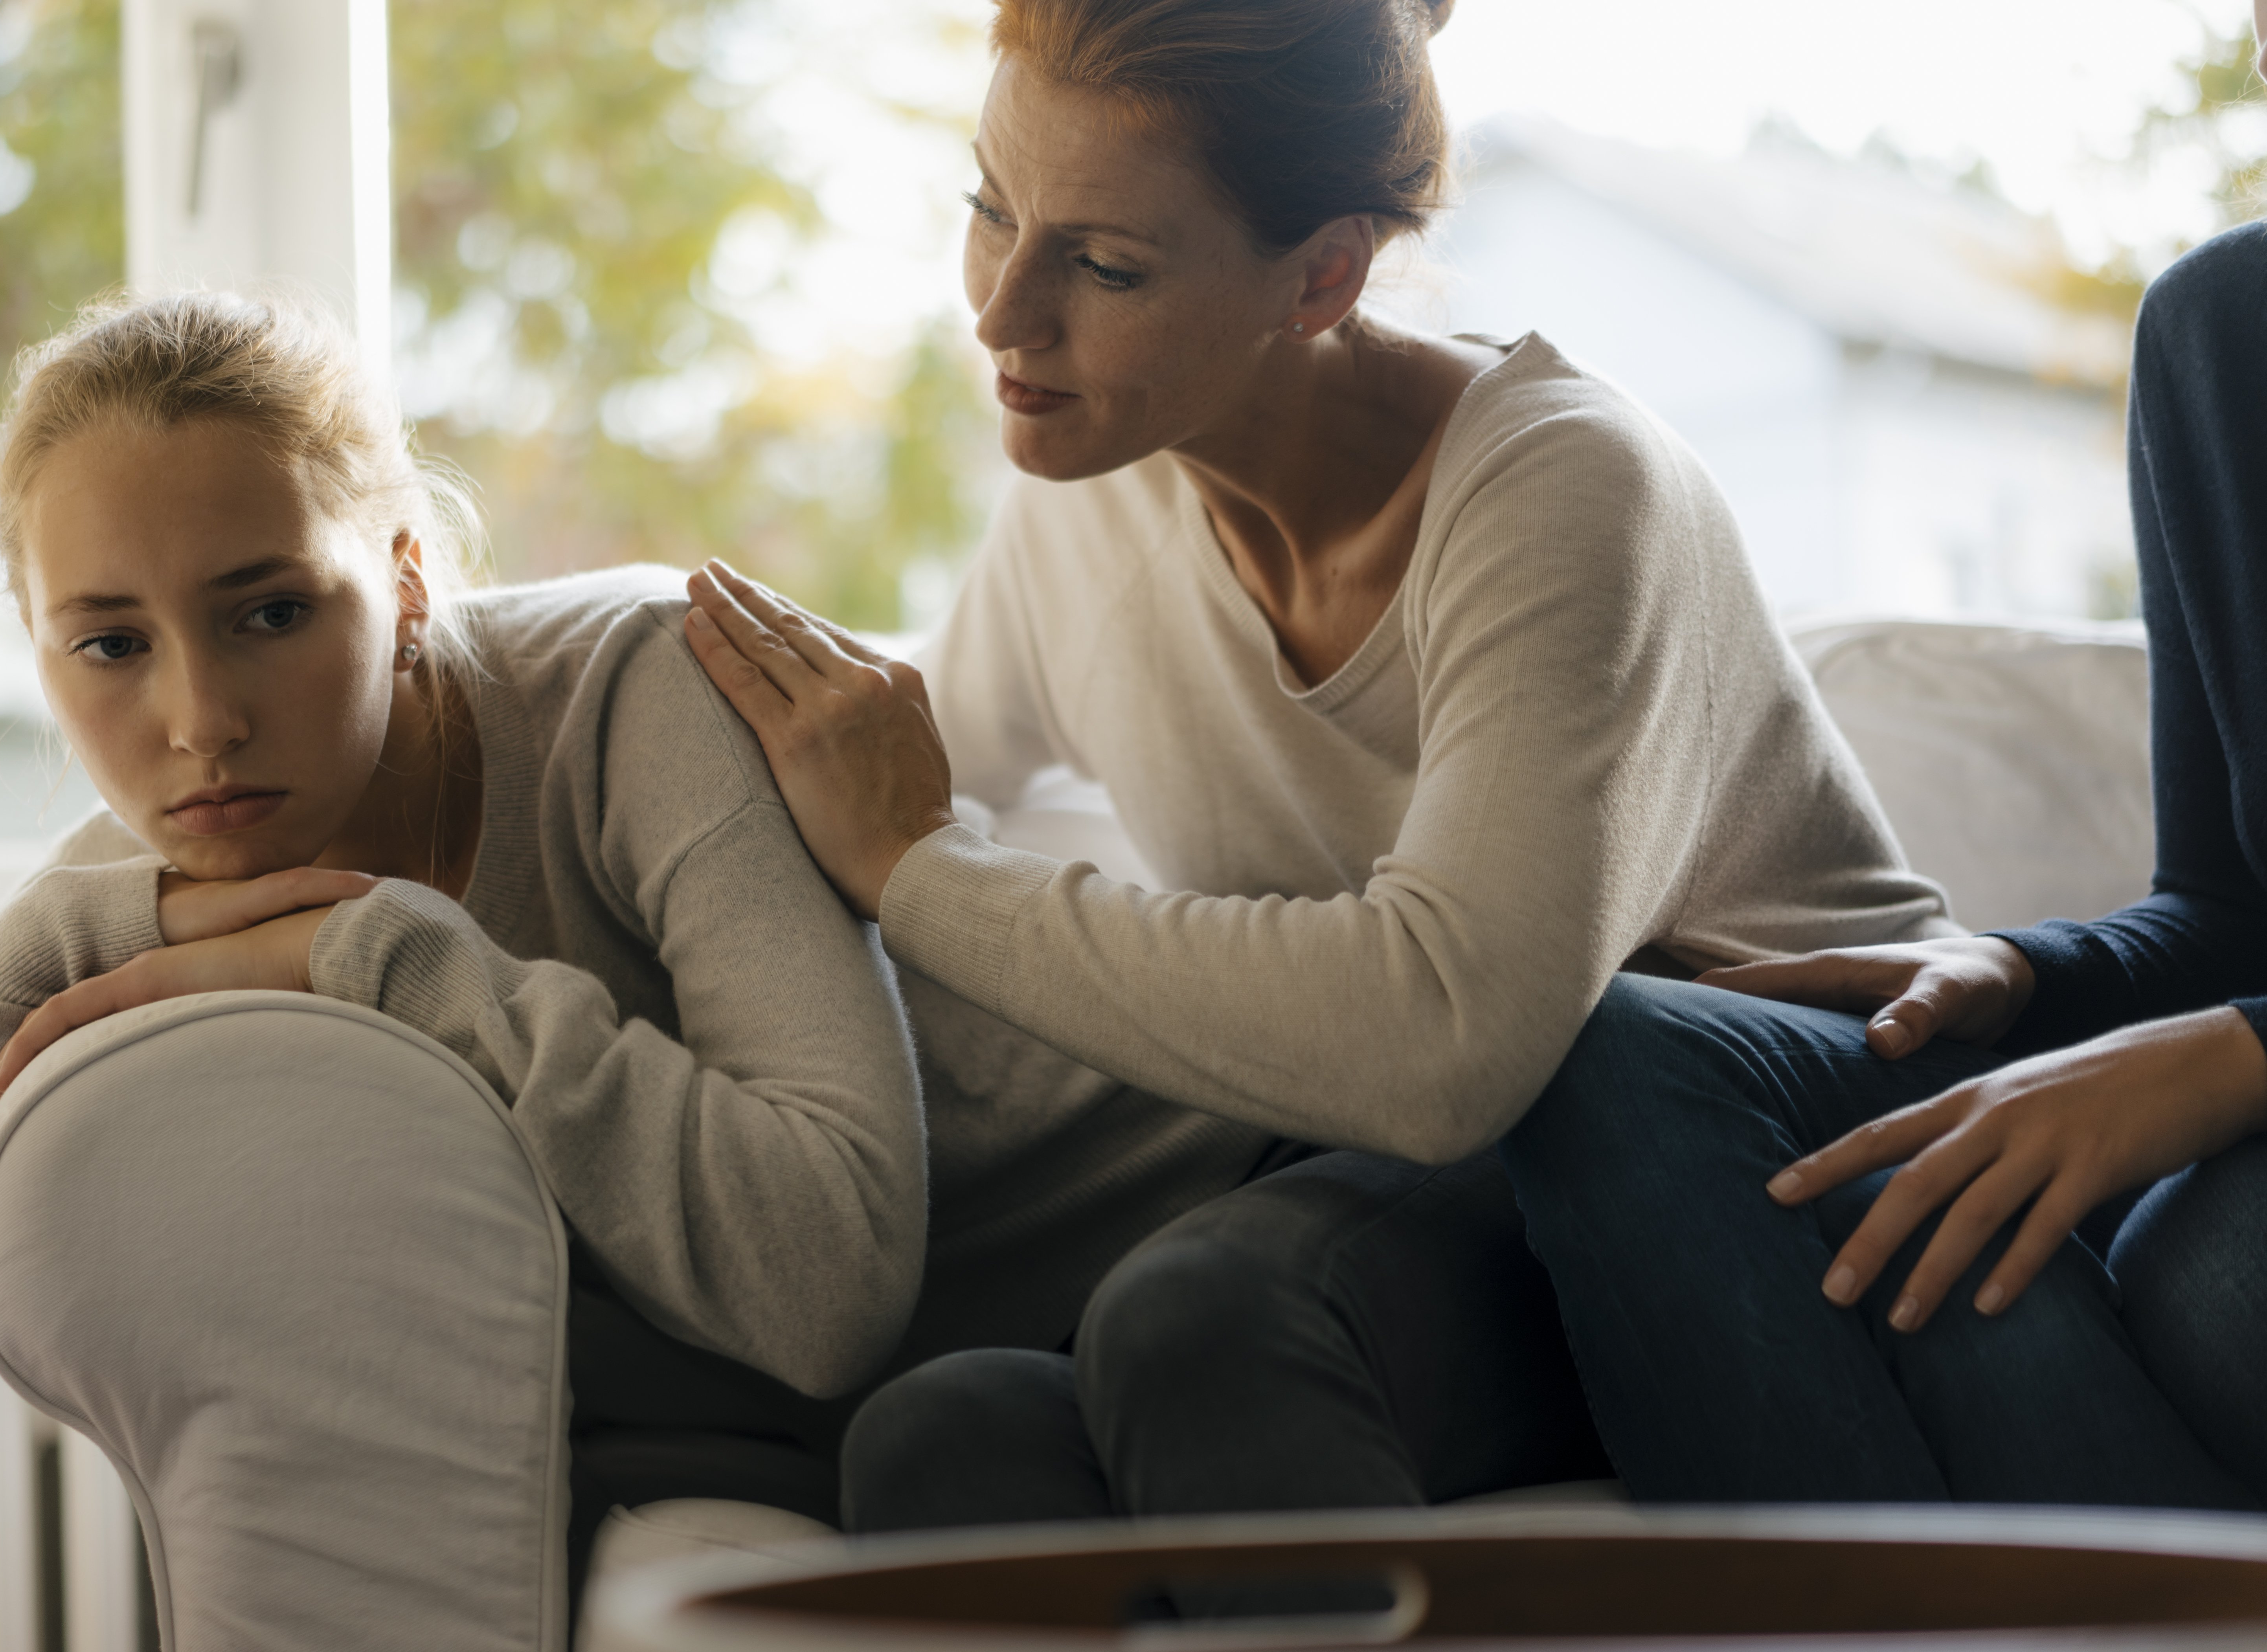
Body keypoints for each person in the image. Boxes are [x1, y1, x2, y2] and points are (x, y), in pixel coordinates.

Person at [0, 290, 1276, 1652]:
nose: (196, 719)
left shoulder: (637, 687)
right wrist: (41, 940)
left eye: (267, 613)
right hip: (903, 1431)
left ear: (400, 580)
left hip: (1219, 1230)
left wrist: (405, 959)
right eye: (108, 643)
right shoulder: (148, 877)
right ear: (41, 653)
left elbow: (825, 1278)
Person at [680, 0, 1948, 1533]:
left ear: (1324, 274)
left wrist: (922, 875)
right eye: (989, 208)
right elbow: (865, 790)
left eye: (1105, 264)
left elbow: (1438, 1037)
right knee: (940, 1441)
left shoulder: (1561, 488)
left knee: (1204, 1320)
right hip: (1408, 1188)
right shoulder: (1094, 486)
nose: (1003, 314)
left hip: (1753, 1157)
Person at [1496, 211, 2267, 1509]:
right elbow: (2227, 907)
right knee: (1619, 1046)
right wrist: (2019, 971)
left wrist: (2244, 1054)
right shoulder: (2225, 327)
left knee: (2211, 1268)